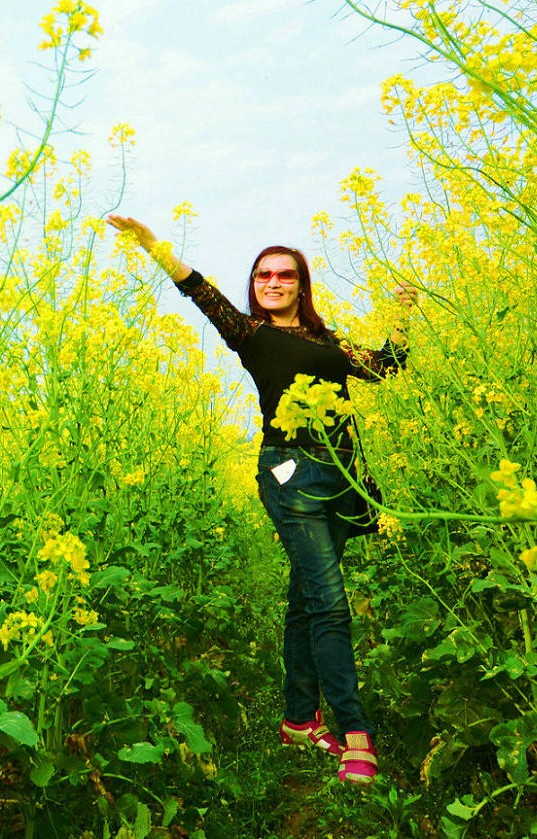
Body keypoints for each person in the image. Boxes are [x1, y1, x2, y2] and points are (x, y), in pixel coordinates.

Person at [105, 213, 414, 787]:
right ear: (254, 286)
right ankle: (356, 733)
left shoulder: (328, 340)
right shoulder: (249, 333)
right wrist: (153, 246)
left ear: (302, 284)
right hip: (288, 476)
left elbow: (385, 369)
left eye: (284, 275)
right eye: (263, 275)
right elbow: (199, 290)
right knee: (329, 602)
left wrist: (402, 313)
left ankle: (299, 720)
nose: (272, 282)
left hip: (342, 476)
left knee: (307, 599)